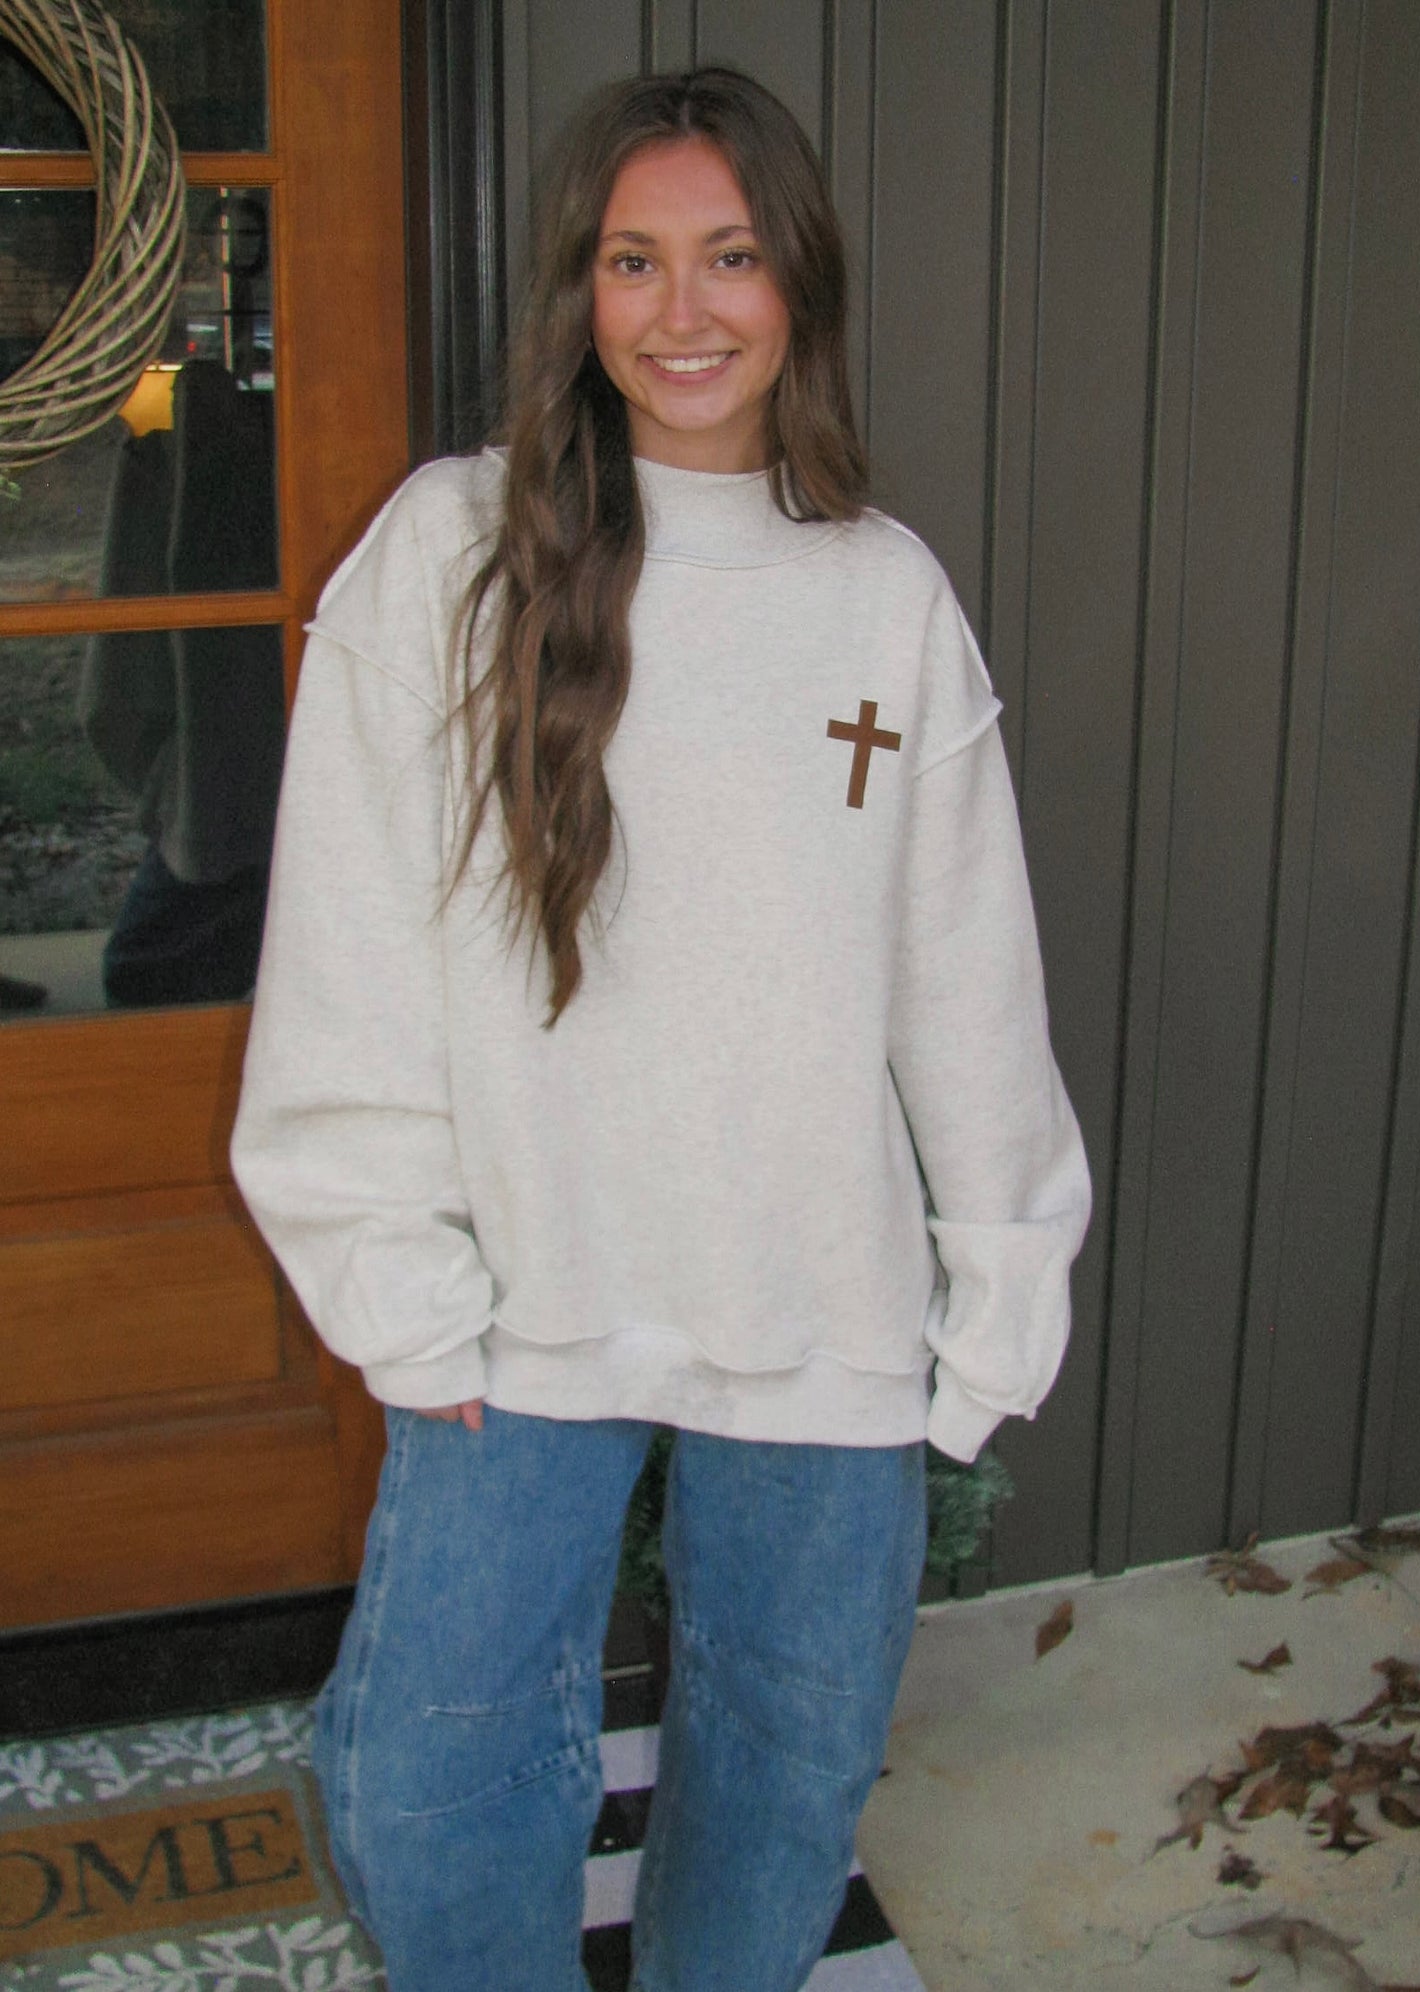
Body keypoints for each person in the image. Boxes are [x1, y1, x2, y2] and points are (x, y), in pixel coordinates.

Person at [230, 66, 1091, 1992]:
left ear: (800, 286)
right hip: (517, 1308)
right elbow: (348, 944)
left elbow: (964, 971)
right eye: (635, 260)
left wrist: (996, 1275)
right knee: (425, 1789)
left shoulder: (880, 602)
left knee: (784, 1783)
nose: (683, 312)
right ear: (577, 287)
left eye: (729, 256)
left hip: (821, 1313)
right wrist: (387, 1268)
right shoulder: (451, 557)